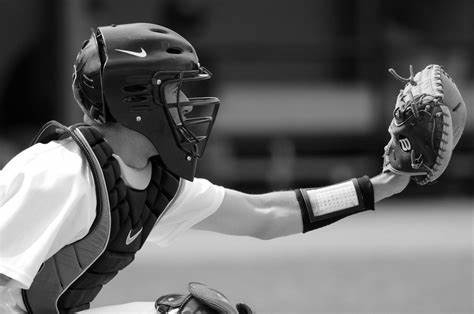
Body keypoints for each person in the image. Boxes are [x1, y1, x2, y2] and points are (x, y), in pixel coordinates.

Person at [0, 23, 454, 313]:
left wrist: (381, 186)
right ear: (136, 99)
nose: (186, 103)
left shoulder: (152, 181)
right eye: (175, 90)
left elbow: (264, 216)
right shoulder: (57, 173)